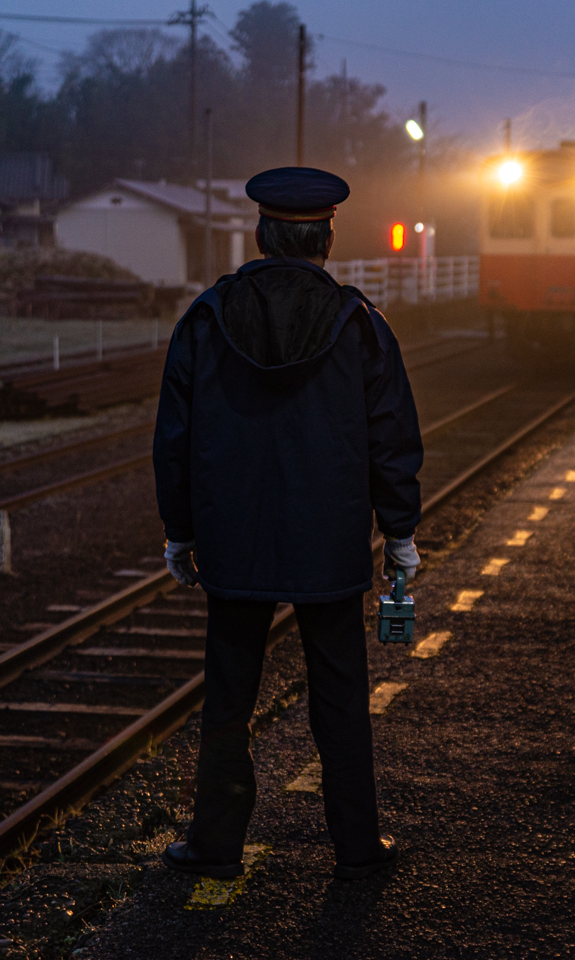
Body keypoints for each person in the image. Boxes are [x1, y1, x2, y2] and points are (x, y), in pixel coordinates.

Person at [152, 167, 423, 881]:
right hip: (328, 539)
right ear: (327, 237)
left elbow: (175, 436)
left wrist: (180, 531)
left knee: (229, 697)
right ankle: (358, 849)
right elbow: (392, 433)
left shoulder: (208, 318)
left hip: (233, 538)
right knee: (339, 696)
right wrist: (399, 533)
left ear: (260, 233)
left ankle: (214, 845)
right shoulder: (358, 322)